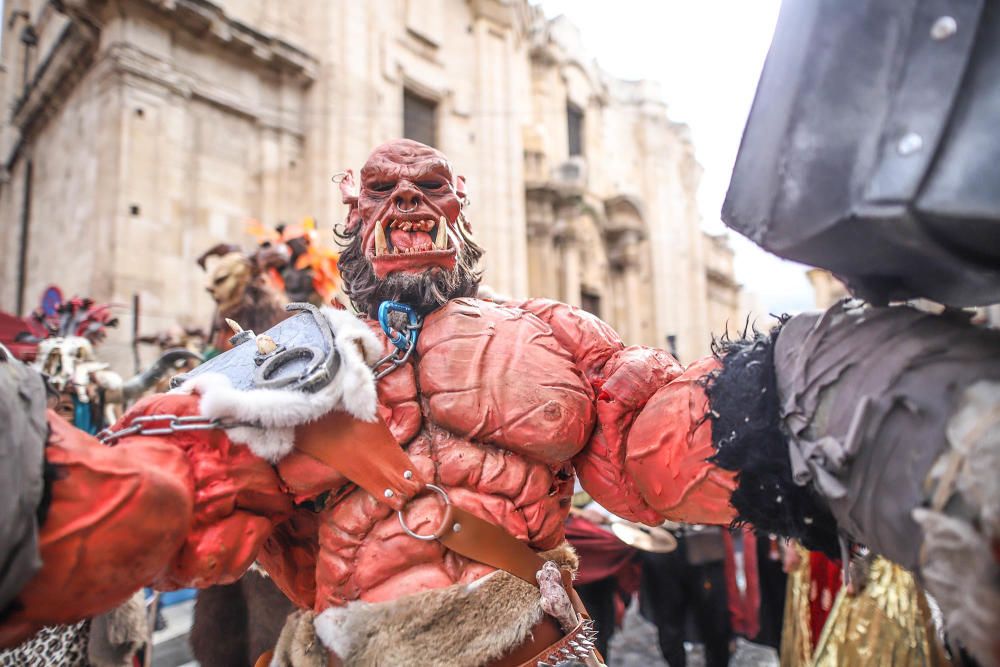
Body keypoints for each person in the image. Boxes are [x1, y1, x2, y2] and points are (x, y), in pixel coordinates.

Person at [1, 140, 998, 667]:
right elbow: (167, 492)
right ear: (353, 227)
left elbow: (661, 435)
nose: (406, 201)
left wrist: (853, 395)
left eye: (426, 184)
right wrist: (26, 484)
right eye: (382, 190)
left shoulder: (549, 335)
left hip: (532, 645)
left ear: (459, 216)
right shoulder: (275, 364)